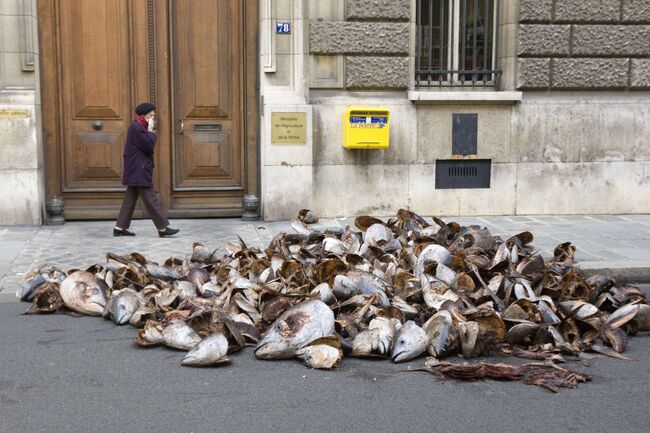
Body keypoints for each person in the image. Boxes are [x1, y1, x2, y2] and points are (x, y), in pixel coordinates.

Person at [113, 102, 179, 238]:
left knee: (130, 199)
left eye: (153, 116)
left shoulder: (138, 126)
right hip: (139, 168)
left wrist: (149, 131)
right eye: (150, 116)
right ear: (143, 116)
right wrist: (151, 132)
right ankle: (162, 228)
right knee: (151, 198)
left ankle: (119, 227)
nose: (152, 119)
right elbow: (148, 145)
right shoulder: (137, 128)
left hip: (137, 167)